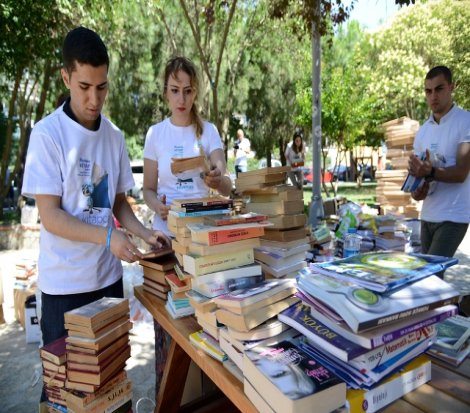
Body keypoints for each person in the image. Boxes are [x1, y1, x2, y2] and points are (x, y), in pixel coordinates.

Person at [21, 27, 170, 350]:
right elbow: (50, 216)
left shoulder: (113, 136)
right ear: (65, 77)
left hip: (108, 280)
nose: (94, 99)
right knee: (67, 389)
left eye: (102, 87)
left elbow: (116, 201)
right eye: (84, 87)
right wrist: (106, 237)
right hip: (64, 287)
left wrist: (143, 233)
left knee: (111, 379)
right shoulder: (47, 135)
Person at [142, 56, 232, 389]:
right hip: (167, 239)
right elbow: (148, 189)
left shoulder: (208, 131)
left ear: (196, 93)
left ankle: (206, 395)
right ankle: (169, 393)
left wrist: (216, 177)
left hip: (203, 242)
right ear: (165, 92)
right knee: (170, 323)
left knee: (204, 320)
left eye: (188, 91)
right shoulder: (155, 134)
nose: (182, 99)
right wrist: (158, 206)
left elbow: (226, 183)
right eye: (175, 90)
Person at [408, 65, 470, 273]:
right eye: (428, 91)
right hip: (427, 215)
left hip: (454, 216)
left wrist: (430, 172)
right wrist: (417, 190)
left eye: (439, 89)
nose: (433, 96)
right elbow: (418, 188)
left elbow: (461, 172)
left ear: (452, 88)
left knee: (429, 277)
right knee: (429, 283)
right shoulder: (423, 131)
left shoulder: (465, 121)